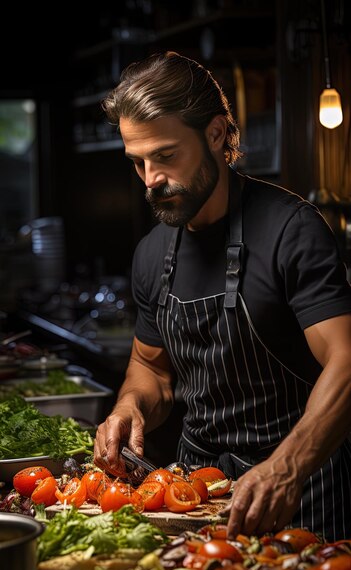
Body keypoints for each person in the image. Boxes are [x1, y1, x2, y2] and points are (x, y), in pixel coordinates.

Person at [94, 50, 351, 542]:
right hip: (198, 500)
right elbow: (151, 370)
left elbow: (346, 360)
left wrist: (286, 468)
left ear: (215, 134)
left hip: (302, 495)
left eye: (166, 156)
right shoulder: (151, 253)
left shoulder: (290, 230)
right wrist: (130, 406)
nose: (150, 180)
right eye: (138, 162)